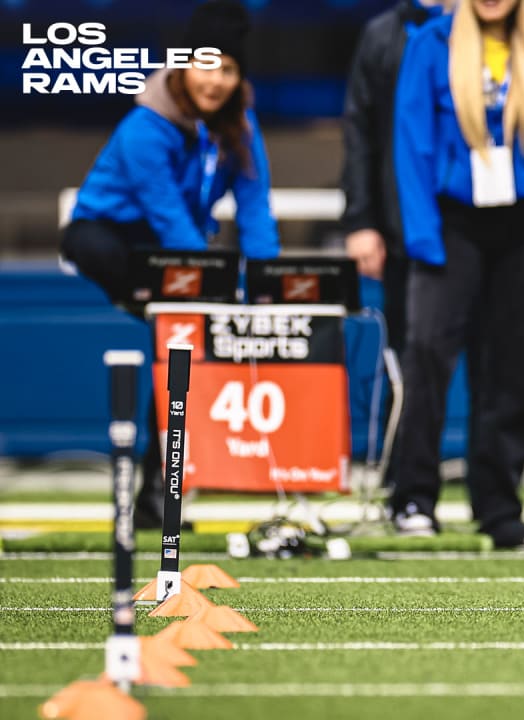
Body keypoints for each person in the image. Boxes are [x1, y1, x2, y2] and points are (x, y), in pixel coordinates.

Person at [60, 0, 278, 528]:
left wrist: (266, 287)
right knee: (181, 322)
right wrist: (212, 292)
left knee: (178, 345)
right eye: (207, 65)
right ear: (182, 65)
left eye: (228, 69)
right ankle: (156, 305)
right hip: (110, 240)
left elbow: (254, 211)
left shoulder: (240, 128)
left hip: (176, 251)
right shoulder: (145, 126)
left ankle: (157, 496)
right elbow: (169, 219)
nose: (217, 80)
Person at [392, 0, 524, 548]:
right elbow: (409, 141)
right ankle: (413, 499)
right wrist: (423, 234)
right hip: (450, 225)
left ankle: (500, 510)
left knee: (513, 368)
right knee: (429, 356)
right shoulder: (431, 43)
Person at [339, 0, 451, 532]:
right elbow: (360, 133)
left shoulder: (501, 32)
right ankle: (407, 491)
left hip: (481, 225)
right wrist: (362, 220)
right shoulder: (382, 35)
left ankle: (498, 501)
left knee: (501, 367)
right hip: (406, 229)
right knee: (415, 358)